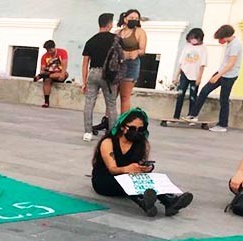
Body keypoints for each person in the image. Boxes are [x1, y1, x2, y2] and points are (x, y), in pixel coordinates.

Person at [91, 108, 193, 217]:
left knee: (149, 178)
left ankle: (169, 201)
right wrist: (127, 169)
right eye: (132, 128)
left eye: (140, 129)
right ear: (122, 127)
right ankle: (143, 201)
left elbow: (139, 164)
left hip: (129, 178)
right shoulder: (108, 142)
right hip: (105, 180)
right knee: (128, 180)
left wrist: (144, 168)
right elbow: (112, 169)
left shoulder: (141, 143)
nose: (136, 132)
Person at [186, 25, 241, 133]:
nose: (220, 41)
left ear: (226, 36)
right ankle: (193, 115)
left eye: (221, 39)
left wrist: (217, 76)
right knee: (204, 90)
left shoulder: (235, 45)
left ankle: (222, 125)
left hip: (229, 76)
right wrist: (217, 74)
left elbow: (231, 64)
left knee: (224, 99)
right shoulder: (229, 43)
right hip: (221, 72)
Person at [82, 13, 118, 142]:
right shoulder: (115, 39)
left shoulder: (91, 40)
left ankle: (87, 132)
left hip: (93, 72)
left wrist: (84, 81)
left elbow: (85, 62)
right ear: (109, 24)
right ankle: (113, 133)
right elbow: (120, 57)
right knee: (111, 104)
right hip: (109, 74)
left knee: (89, 102)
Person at [174, 28, 207, 121]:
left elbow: (202, 65)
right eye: (191, 38)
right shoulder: (187, 46)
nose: (193, 40)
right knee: (180, 95)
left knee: (193, 97)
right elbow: (181, 63)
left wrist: (199, 78)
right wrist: (177, 76)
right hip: (185, 73)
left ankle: (192, 116)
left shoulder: (203, 48)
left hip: (195, 75)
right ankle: (176, 116)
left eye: (195, 38)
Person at [117, 9, 146, 113]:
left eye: (136, 19)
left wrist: (135, 52)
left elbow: (142, 50)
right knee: (112, 94)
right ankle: (107, 120)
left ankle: (123, 122)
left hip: (131, 64)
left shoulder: (139, 32)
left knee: (125, 95)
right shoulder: (118, 32)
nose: (134, 20)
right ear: (125, 19)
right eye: (131, 18)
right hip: (117, 64)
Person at [34, 40, 69, 108]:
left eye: (50, 50)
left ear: (54, 47)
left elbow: (64, 64)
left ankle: (41, 76)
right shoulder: (44, 56)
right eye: (47, 50)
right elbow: (43, 68)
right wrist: (43, 71)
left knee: (64, 74)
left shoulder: (62, 52)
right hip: (49, 73)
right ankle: (46, 101)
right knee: (47, 81)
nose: (49, 52)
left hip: (59, 73)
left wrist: (62, 73)